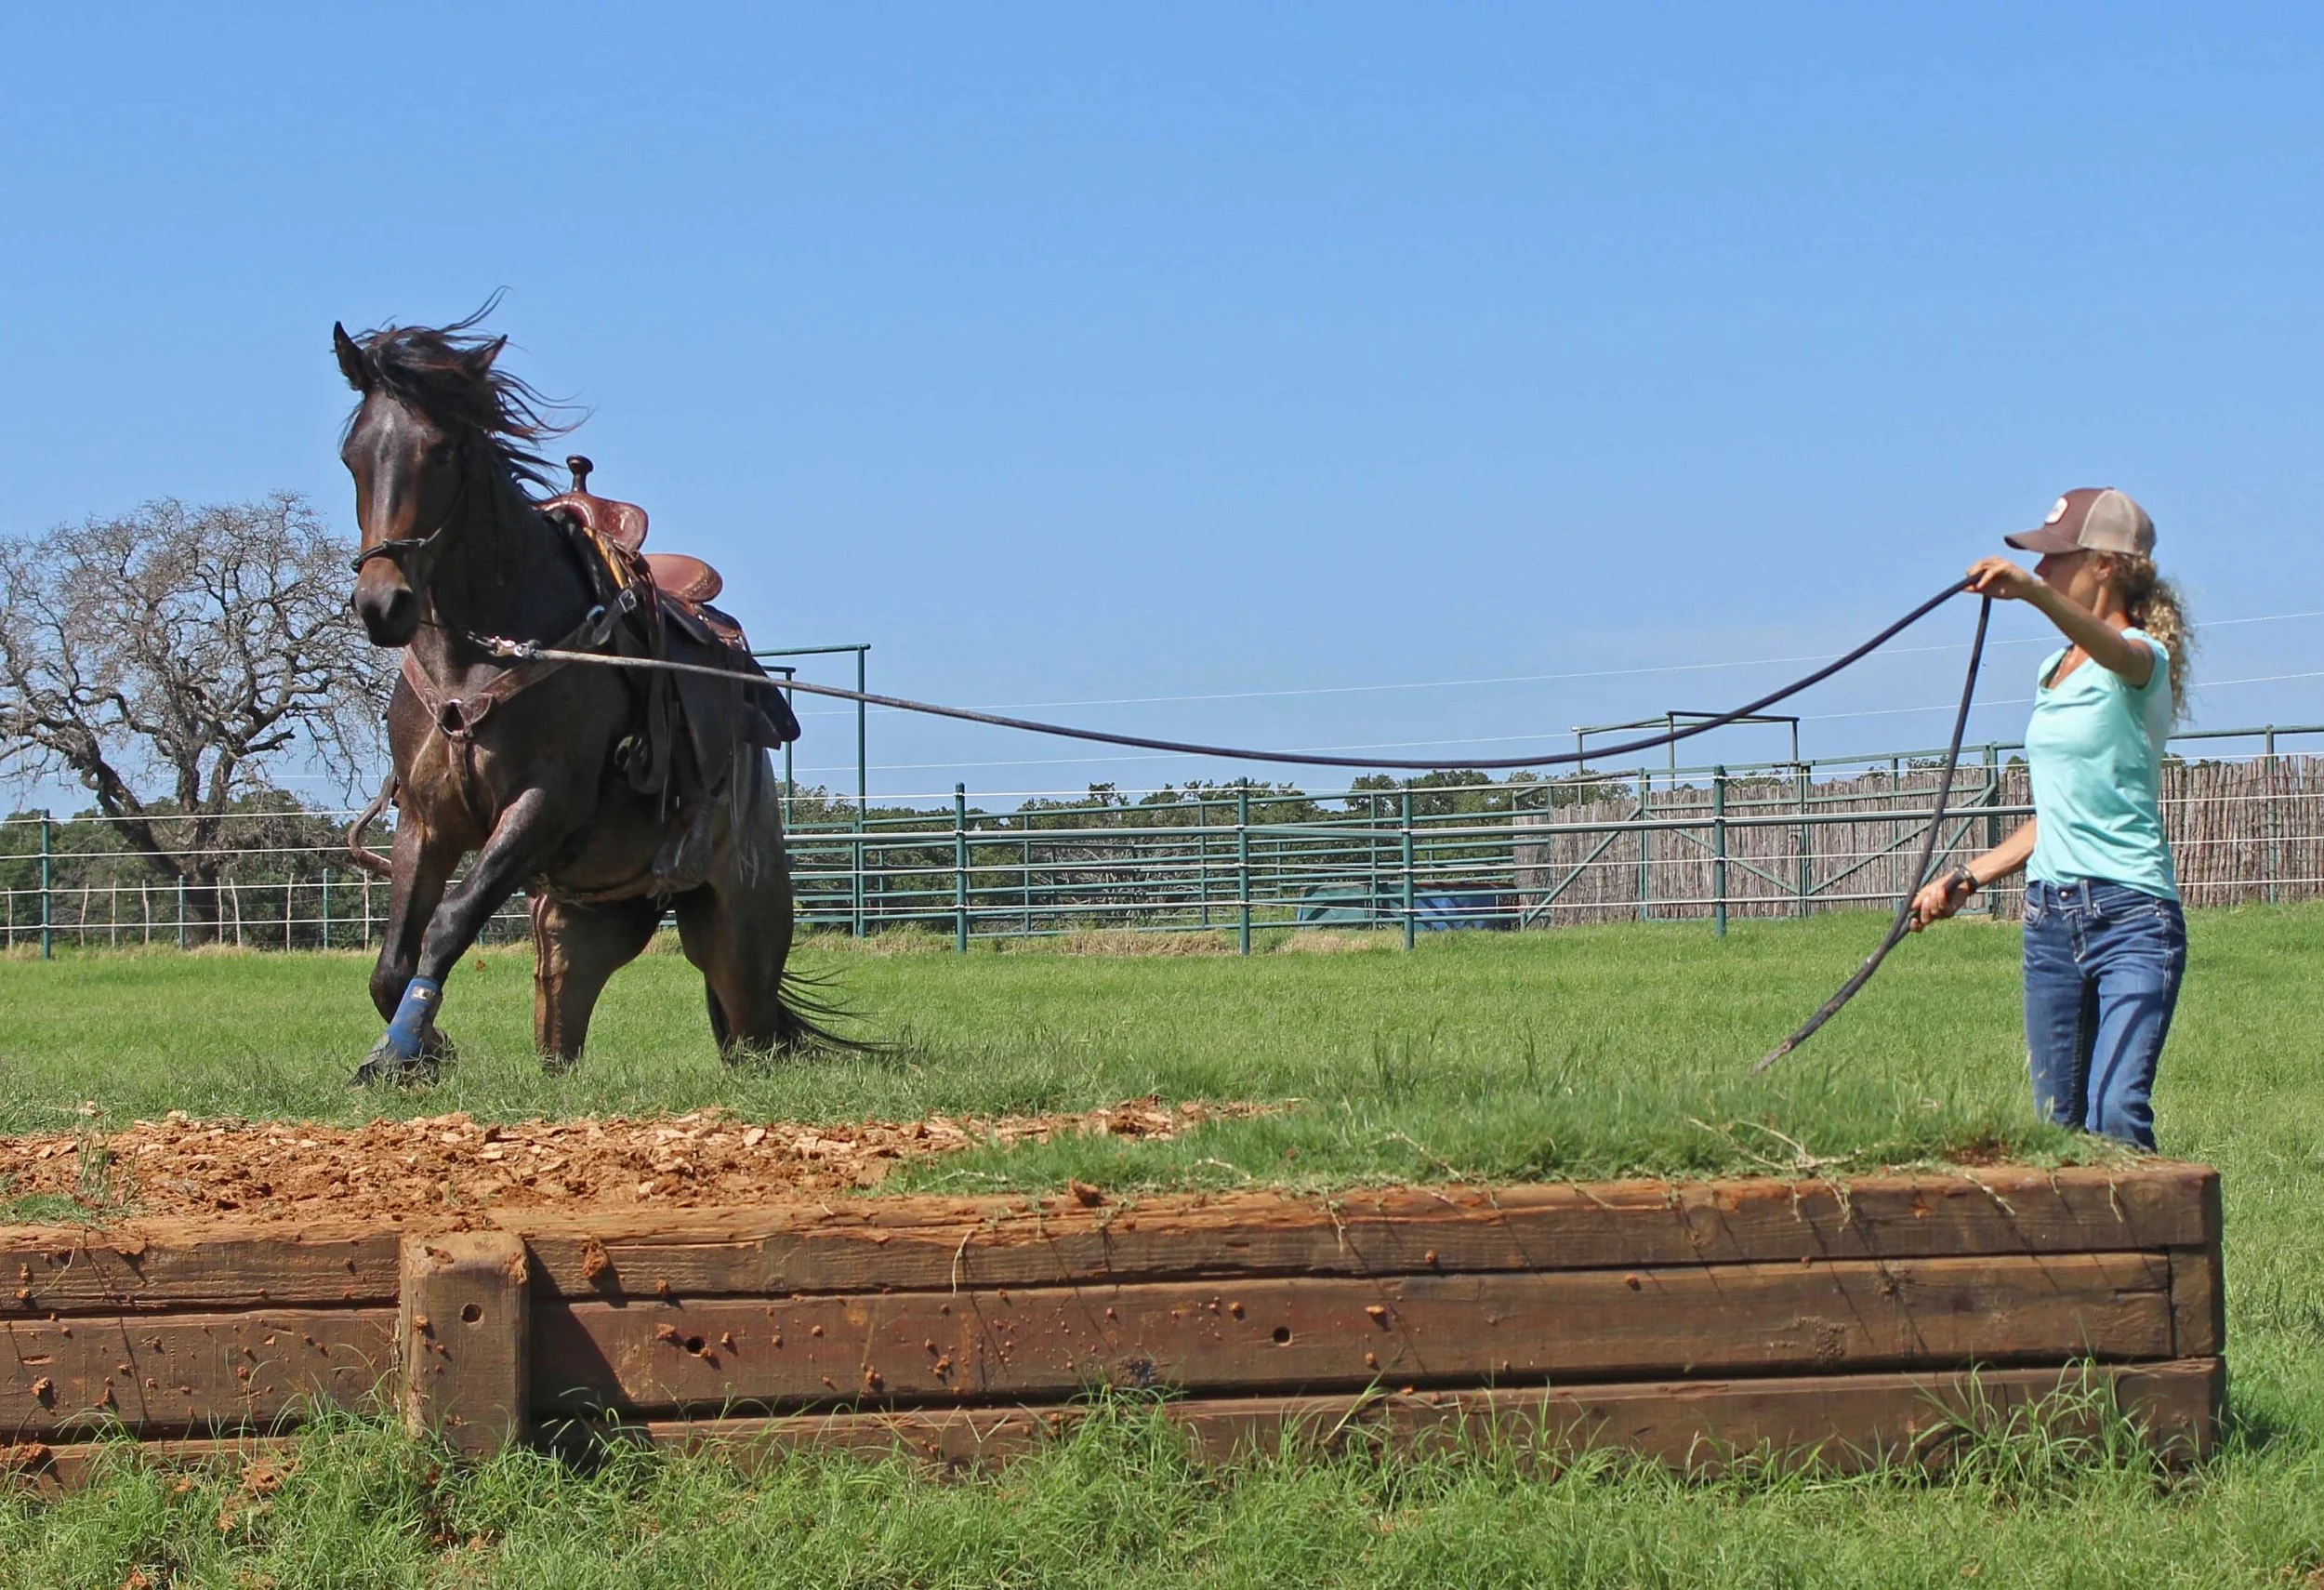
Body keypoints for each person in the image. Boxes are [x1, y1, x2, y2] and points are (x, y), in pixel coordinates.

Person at [1908, 487, 2193, 1151]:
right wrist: (1966, 878)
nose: (2042, 573)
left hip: (2132, 918)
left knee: (2117, 1112)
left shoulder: (2143, 660)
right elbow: (2055, 815)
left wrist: (2033, 598)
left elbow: (2118, 651)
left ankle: (2146, 1252)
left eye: (2056, 561)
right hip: (2050, 918)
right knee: (2057, 1132)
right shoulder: (2052, 671)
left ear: (2107, 565)